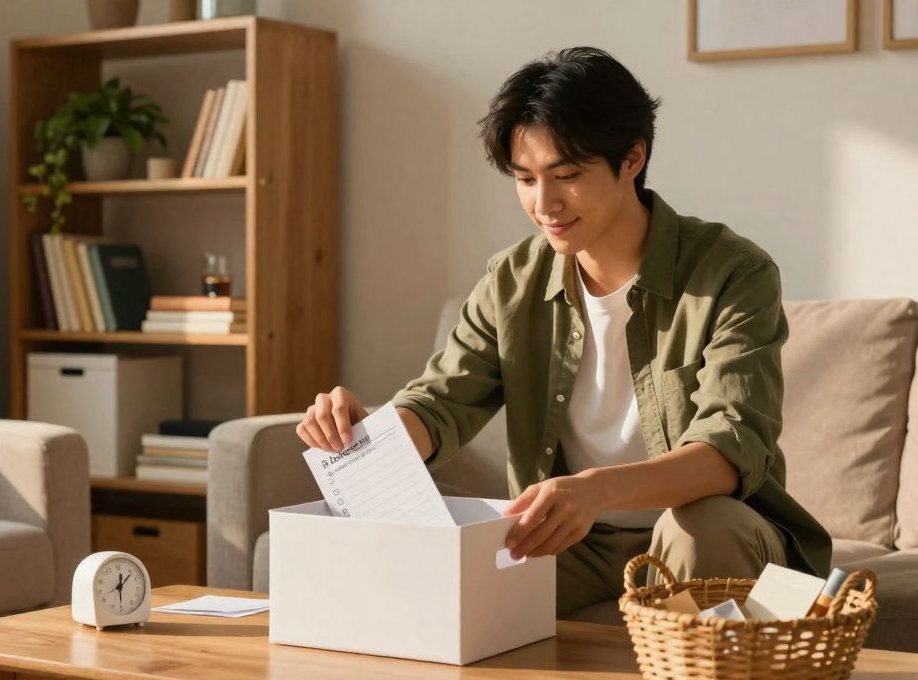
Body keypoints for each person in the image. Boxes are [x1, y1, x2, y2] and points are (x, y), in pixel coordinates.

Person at [297, 47, 831, 619]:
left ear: (632, 159)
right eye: (525, 179)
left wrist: (596, 489)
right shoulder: (512, 280)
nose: (544, 204)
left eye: (567, 176)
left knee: (700, 524)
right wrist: (364, 434)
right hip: (569, 542)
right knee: (430, 585)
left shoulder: (732, 273)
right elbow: (440, 404)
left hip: (700, 535)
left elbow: (730, 449)